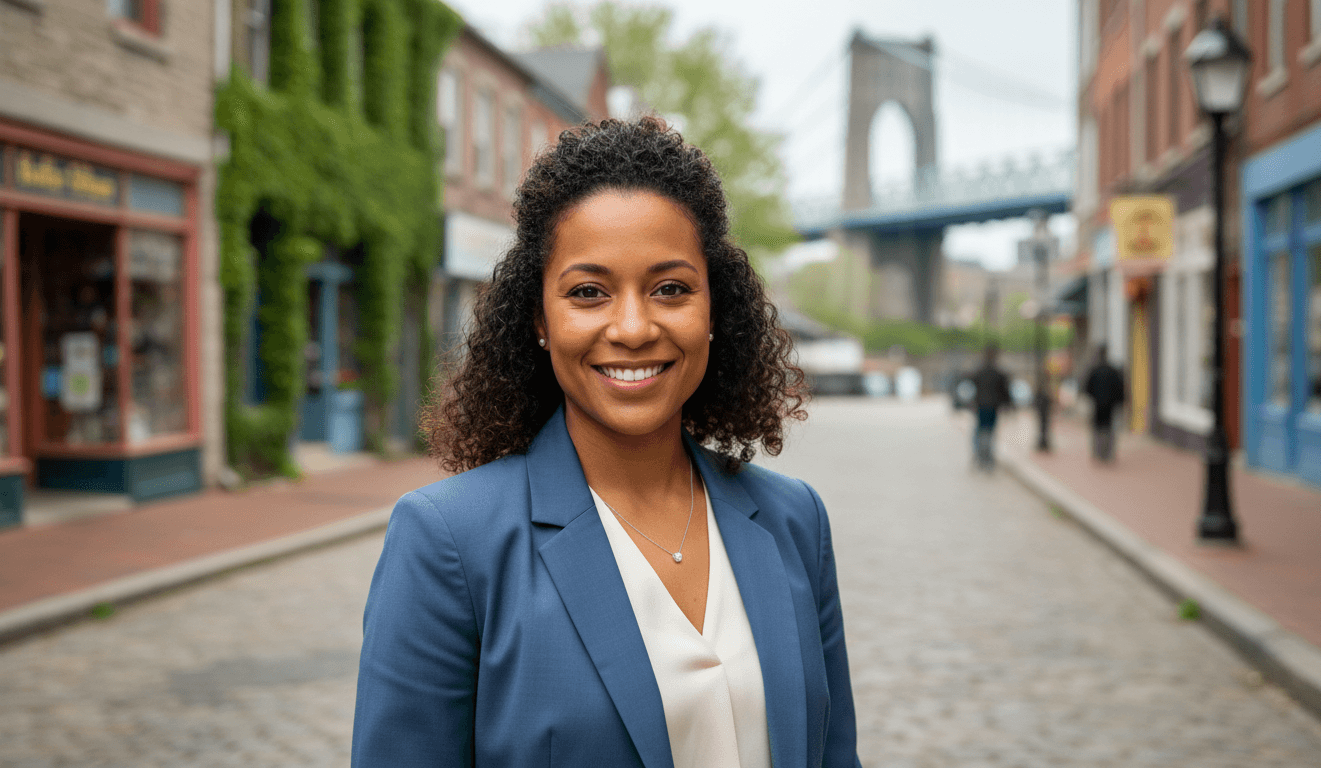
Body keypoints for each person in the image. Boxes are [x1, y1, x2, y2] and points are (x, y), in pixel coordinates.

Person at [352, 117, 861, 768]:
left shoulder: (795, 522)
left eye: (670, 289)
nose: (632, 326)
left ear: (714, 311)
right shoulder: (448, 541)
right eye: (588, 292)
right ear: (540, 318)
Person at [969, 343, 1013, 470]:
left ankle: (981, 455)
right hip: (992, 406)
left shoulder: (979, 371)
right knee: (989, 432)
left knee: (981, 431)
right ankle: (986, 456)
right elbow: (1005, 392)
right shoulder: (998, 373)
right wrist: (1009, 405)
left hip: (981, 406)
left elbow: (972, 385)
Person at [1083, 344, 1125, 462]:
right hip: (1110, 405)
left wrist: (1094, 398)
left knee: (1097, 428)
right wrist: (1119, 402)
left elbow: (1087, 388)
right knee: (1109, 428)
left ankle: (1098, 452)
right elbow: (1120, 388)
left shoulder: (1094, 370)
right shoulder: (1113, 371)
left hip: (1098, 404)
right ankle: (1108, 453)